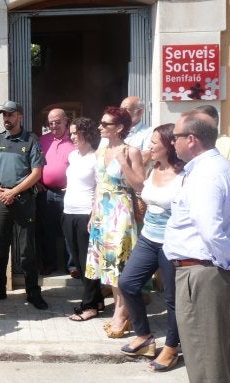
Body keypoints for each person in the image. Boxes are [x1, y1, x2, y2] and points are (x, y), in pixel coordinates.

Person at [163, 110, 230, 382]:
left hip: (201, 272)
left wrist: (223, 264)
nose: (172, 143)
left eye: (175, 137)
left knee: (205, 359)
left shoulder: (205, 175)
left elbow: (211, 231)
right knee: (214, 354)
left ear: (191, 139)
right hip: (205, 271)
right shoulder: (215, 167)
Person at [118, 124, 184, 371]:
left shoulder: (184, 174)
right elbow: (141, 189)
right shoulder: (153, 167)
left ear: (168, 145)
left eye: (155, 142)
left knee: (172, 298)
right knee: (127, 283)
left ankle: (172, 347)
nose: (150, 146)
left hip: (172, 243)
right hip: (148, 238)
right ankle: (144, 336)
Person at [0, 100, 48, 310]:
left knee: (27, 250)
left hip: (23, 200)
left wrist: (13, 192)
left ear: (20, 116)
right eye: (4, 115)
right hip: (1, 199)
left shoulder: (31, 140)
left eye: (10, 115)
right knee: (1, 248)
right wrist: (0, 190)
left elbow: (37, 173)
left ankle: (33, 292)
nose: (6, 119)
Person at [85, 106, 145, 338]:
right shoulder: (101, 151)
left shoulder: (131, 151)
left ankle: (122, 312)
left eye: (105, 124)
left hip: (120, 212)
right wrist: (93, 213)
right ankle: (121, 310)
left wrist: (123, 162)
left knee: (119, 262)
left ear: (120, 127)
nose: (100, 127)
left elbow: (140, 185)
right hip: (102, 213)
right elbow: (99, 184)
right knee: (107, 265)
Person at [63, 117, 104, 322]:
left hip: (85, 213)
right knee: (78, 263)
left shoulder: (96, 158)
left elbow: (99, 187)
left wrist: (94, 214)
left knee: (87, 262)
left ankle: (89, 306)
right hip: (68, 212)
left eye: (74, 133)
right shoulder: (72, 156)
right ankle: (97, 300)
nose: (71, 137)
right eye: (70, 133)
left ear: (86, 134)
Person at [35, 108, 76, 277]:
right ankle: (49, 264)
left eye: (57, 122)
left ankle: (72, 266)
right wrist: (36, 182)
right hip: (45, 192)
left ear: (66, 120)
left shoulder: (74, 141)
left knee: (68, 230)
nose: (53, 126)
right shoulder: (41, 140)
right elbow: (32, 163)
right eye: (50, 123)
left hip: (69, 193)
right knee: (47, 230)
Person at [120, 96, 152, 162]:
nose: (121, 112)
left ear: (140, 112)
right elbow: (101, 154)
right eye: (120, 109)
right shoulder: (112, 129)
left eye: (126, 109)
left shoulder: (149, 132)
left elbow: (145, 158)